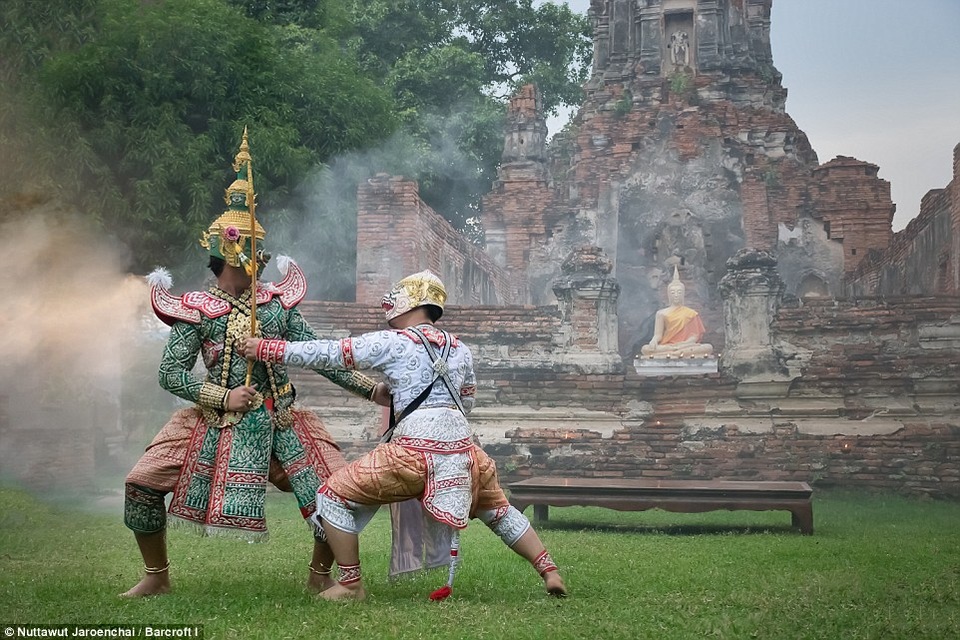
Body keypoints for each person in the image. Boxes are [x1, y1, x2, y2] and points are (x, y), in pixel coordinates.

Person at [121, 131, 388, 598]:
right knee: (140, 483)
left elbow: (321, 357)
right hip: (212, 420)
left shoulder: (278, 307)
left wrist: (372, 389)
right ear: (227, 250)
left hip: (282, 418)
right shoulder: (198, 308)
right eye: (251, 248)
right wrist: (224, 395)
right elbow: (171, 374)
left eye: (260, 249)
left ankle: (322, 576)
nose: (259, 261)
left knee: (335, 493)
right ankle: (156, 576)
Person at [239, 270, 567, 602]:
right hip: (465, 455)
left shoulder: (392, 342)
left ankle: (351, 584)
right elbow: (465, 401)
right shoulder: (460, 349)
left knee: (331, 495)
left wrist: (265, 348)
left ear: (407, 304)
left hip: (411, 455)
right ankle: (549, 571)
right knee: (496, 509)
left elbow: (329, 354)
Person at [640, 266, 714, 358]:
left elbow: (694, 337)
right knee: (645, 349)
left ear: (683, 294)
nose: (676, 295)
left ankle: (674, 353)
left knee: (708, 348)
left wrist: (683, 344)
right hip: (667, 346)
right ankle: (675, 353)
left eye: (679, 292)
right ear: (668, 294)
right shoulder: (661, 313)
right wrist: (654, 341)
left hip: (686, 346)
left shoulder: (691, 313)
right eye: (673, 292)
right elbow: (658, 335)